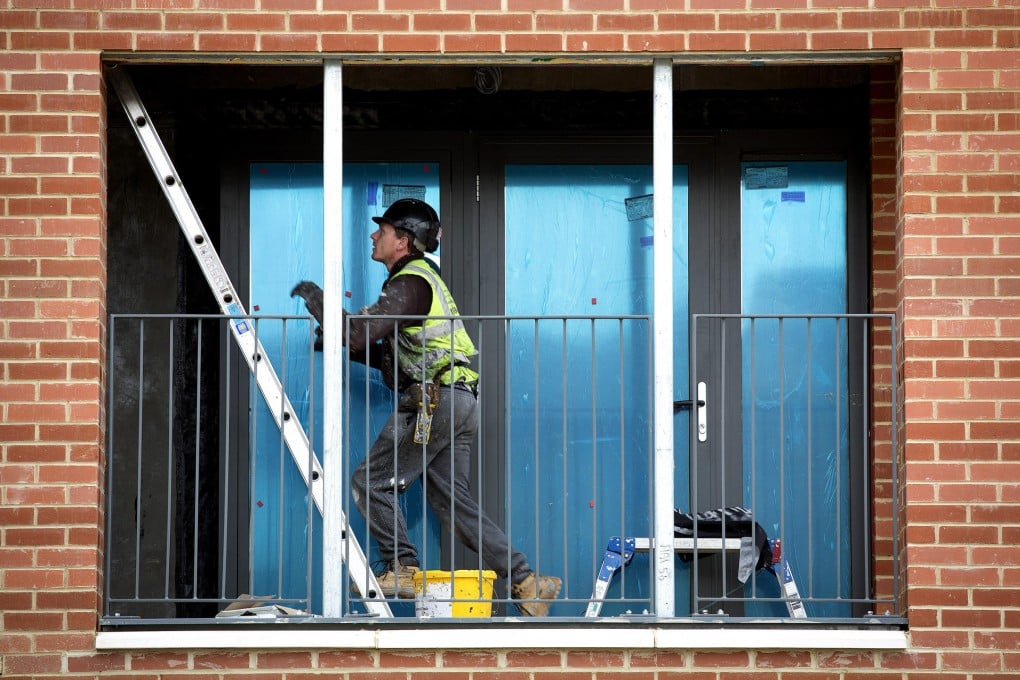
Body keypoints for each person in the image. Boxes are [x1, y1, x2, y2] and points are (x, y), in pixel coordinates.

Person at [292, 198, 561, 617]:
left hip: (434, 401)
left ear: (404, 240)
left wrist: (325, 308)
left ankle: (401, 566)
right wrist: (341, 340)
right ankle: (526, 580)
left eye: (382, 229)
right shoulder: (421, 284)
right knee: (452, 503)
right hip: (457, 398)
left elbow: (364, 333)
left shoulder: (410, 283)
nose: (373, 235)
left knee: (370, 480)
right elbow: (389, 354)